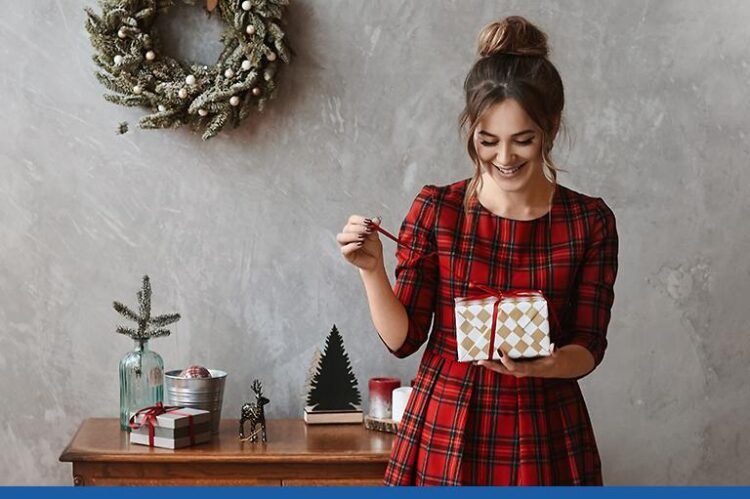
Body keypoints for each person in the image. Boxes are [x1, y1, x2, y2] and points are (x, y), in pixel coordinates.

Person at [336, 16, 618, 486]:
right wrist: (371, 271)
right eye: (488, 142)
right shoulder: (437, 209)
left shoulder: (588, 222)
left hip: (544, 429)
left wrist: (547, 365)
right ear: (472, 130)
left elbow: (589, 345)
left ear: (550, 127)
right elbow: (404, 341)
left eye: (523, 140)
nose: (505, 158)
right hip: (445, 427)